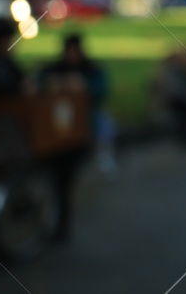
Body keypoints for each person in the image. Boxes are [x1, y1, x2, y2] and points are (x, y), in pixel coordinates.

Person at [38, 35, 113, 243]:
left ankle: (60, 223)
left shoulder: (91, 72)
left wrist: (82, 86)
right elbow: (39, 83)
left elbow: (101, 90)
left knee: (64, 181)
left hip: (76, 135)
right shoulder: (54, 70)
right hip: (52, 136)